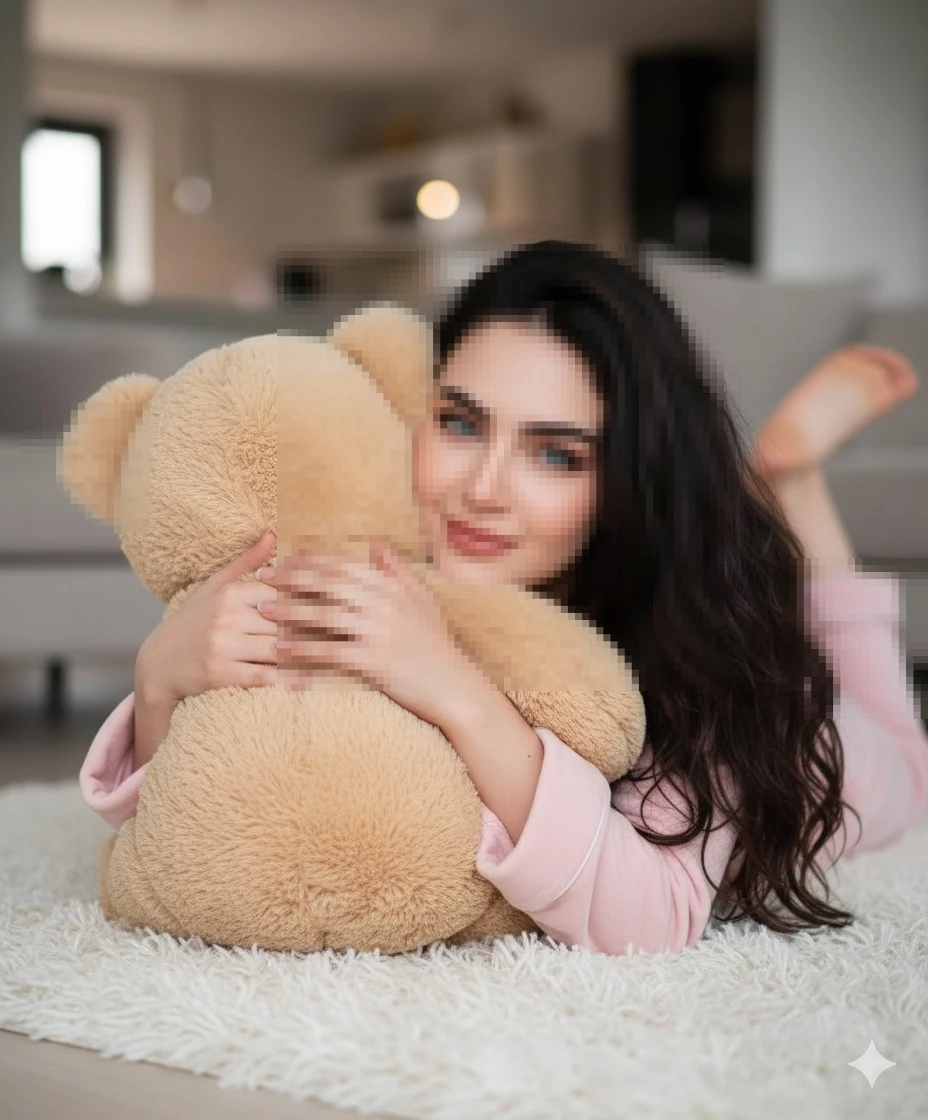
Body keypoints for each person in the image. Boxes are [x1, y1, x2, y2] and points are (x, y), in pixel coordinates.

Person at [80, 240, 928, 955]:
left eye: (556, 455)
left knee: (903, 751)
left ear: (630, 482)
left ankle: (792, 478)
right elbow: (199, 809)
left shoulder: (700, 662)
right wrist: (161, 683)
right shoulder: (383, 562)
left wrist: (452, 689)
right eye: (458, 422)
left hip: (840, 748)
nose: (482, 490)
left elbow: (659, 916)